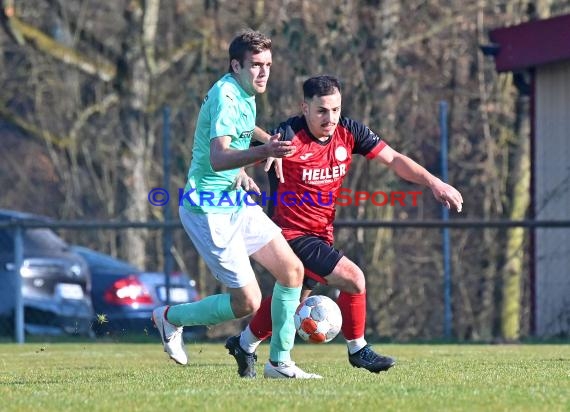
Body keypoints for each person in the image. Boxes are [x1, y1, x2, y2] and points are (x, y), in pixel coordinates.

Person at [227, 74, 464, 377]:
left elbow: (393, 159)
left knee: (294, 299)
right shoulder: (286, 136)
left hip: (321, 233)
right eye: (322, 111)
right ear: (305, 107)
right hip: (289, 232)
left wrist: (434, 182)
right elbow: (235, 150)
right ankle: (358, 349)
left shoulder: (349, 132)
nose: (330, 118)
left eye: (335, 110)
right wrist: (242, 172)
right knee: (354, 278)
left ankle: (244, 344)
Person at [152, 29, 321, 379]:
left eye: (268, 65)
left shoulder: (244, 91)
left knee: (292, 271)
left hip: (233, 200)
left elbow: (240, 130)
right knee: (247, 302)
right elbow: (217, 157)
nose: (264, 73)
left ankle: (279, 363)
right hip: (208, 208)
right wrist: (264, 153)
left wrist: (260, 146)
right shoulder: (227, 95)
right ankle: (169, 318)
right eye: (256, 65)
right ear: (236, 65)